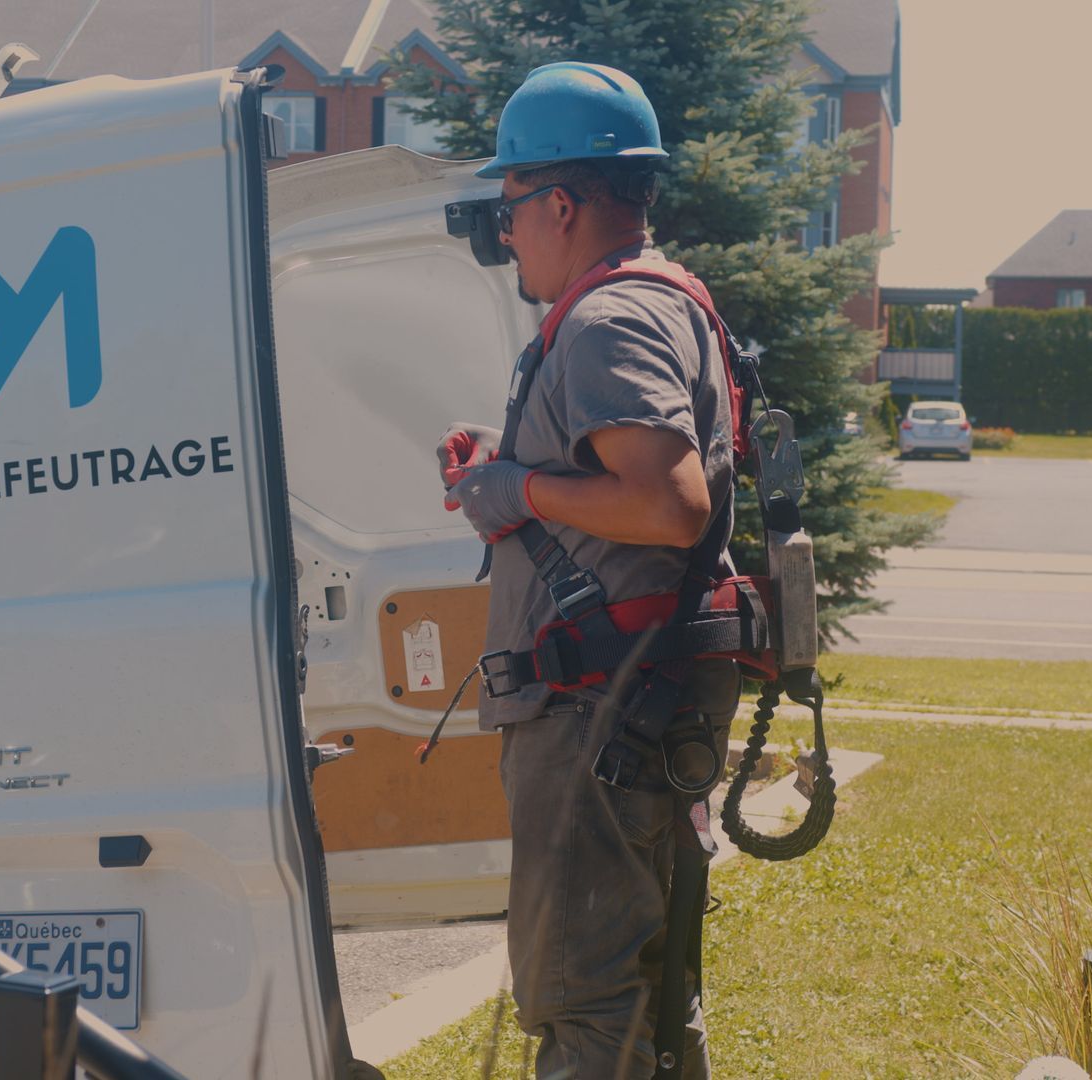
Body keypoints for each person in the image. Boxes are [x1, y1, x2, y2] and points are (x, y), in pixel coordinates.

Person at [438, 62, 745, 1079]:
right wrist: (513, 467)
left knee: (586, 1001)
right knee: (648, 993)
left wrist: (519, 492)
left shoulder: (608, 319)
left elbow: (668, 501)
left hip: (597, 712)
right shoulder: (660, 304)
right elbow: (627, 485)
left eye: (512, 203)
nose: (505, 230)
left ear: (560, 203)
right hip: (642, 695)